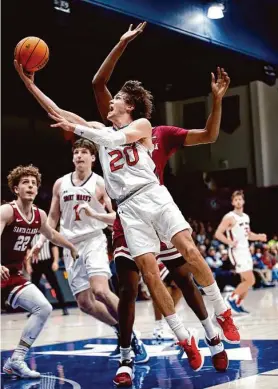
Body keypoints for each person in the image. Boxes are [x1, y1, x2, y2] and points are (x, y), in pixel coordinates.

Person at [25, 137, 146, 362]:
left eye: (83, 152)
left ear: (93, 158)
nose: (79, 156)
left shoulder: (100, 183)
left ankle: (131, 335)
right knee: (85, 304)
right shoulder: (61, 184)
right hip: (69, 245)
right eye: (76, 152)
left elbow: (114, 219)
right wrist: (41, 242)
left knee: (100, 290)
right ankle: (121, 328)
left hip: (93, 240)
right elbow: (52, 217)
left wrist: (94, 214)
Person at [1, 165, 78, 378]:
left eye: (34, 183)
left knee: (43, 307)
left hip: (13, 275)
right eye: (25, 182)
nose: (31, 186)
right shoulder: (7, 211)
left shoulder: (39, 215)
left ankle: (16, 360)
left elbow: (52, 235)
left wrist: (70, 247)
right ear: (16, 189)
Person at [215, 190, 267, 313]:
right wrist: (229, 242)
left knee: (246, 282)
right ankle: (231, 298)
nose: (238, 201)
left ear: (243, 201)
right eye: (236, 199)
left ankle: (238, 303)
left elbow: (248, 235)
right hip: (236, 251)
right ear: (233, 202)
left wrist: (259, 236)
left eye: (240, 199)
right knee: (251, 280)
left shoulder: (245, 217)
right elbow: (218, 233)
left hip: (246, 250)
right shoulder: (229, 217)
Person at [26, 234, 69, 316]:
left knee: (55, 285)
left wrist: (55, 262)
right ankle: (32, 310)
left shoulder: (46, 234)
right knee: (33, 288)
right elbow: (28, 251)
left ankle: (64, 307)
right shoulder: (32, 235)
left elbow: (54, 248)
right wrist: (28, 265)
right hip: (36, 263)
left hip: (47, 262)